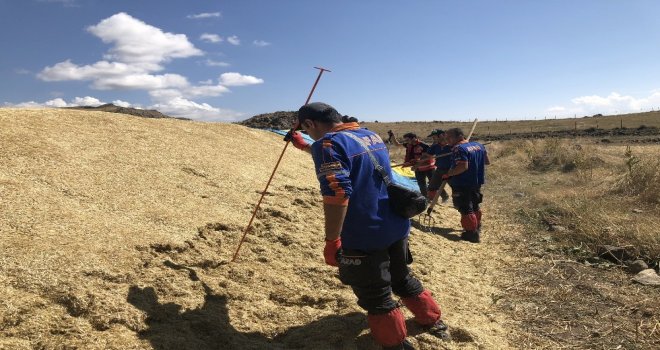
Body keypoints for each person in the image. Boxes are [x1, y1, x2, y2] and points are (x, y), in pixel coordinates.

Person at [286, 102, 447, 350]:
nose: (310, 136)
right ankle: (433, 320)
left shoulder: (327, 145)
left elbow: (337, 194)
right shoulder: (368, 134)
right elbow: (349, 159)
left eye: (307, 130)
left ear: (310, 124)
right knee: (401, 277)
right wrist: (307, 146)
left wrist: (332, 241)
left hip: (363, 234)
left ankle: (394, 344)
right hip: (395, 223)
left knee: (376, 295)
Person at [442, 128, 490, 243]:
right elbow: (487, 161)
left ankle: (471, 234)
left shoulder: (458, 149)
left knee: (465, 207)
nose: (447, 140)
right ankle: (477, 226)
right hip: (476, 181)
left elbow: (463, 167)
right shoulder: (479, 146)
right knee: (474, 205)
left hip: (462, 182)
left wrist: (449, 173)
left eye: (449, 138)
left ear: (459, 137)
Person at [390, 132, 436, 197]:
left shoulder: (423, 146)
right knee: (421, 184)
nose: (406, 142)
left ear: (414, 138)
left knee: (433, 183)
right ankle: (425, 197)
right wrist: (392, 136)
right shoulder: (409, 145)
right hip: (418, 168)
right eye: (405, 140)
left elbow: (425, 158)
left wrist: (415, 166)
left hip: (428, 167)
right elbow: (397, 144)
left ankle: (443, 196)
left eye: (407, 140)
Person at [420, 129, 452, 202]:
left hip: (452, 170)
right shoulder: (436, 146)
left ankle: (462, 204)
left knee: (457, 188)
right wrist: (420, 159)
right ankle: (431, 202)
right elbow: (428, 155)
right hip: (439, 169)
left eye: (434, 137)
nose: (433, 139)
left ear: (441, 135)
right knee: (431, 187)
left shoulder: (452, 144)